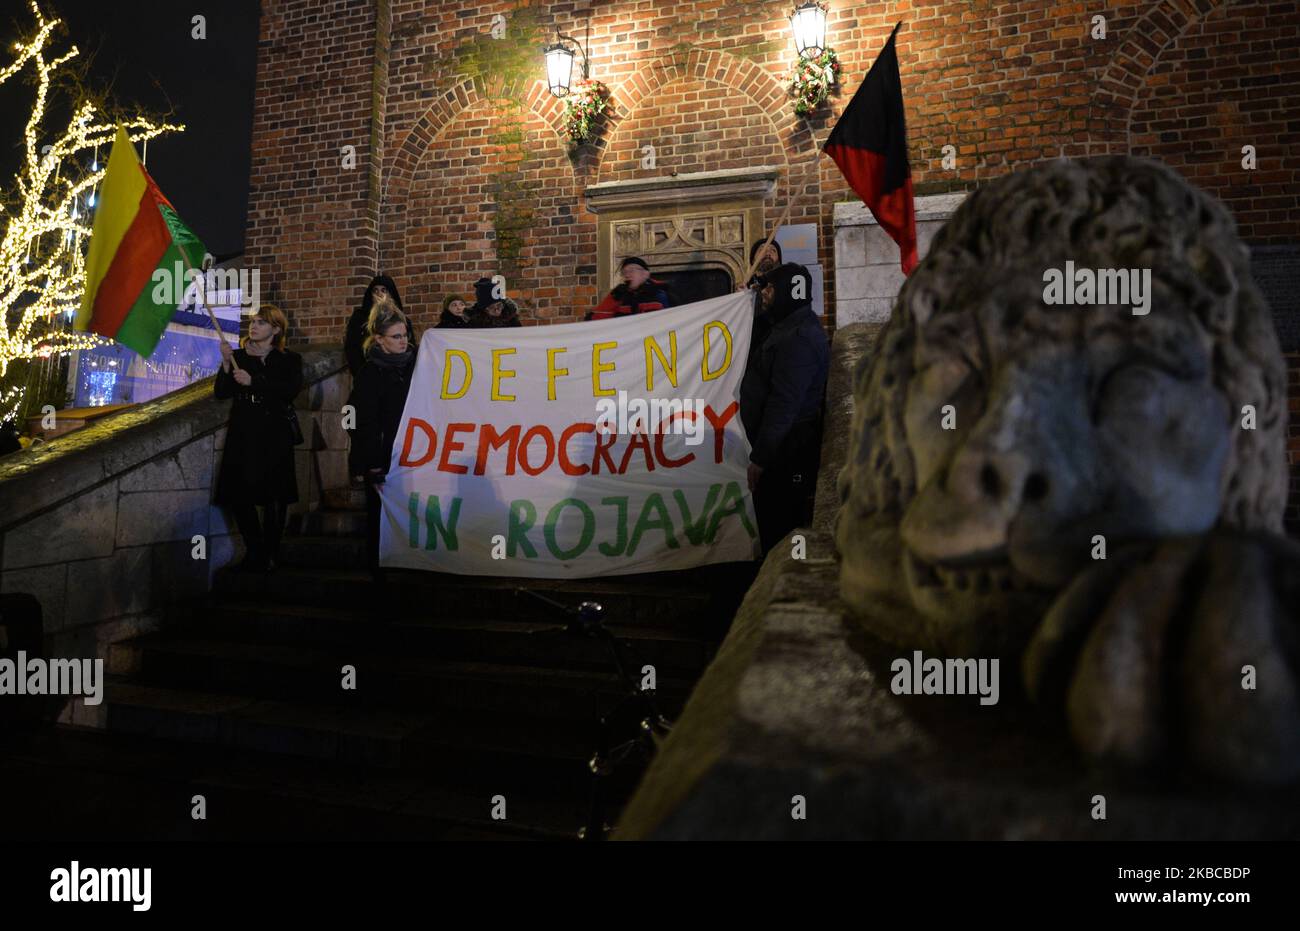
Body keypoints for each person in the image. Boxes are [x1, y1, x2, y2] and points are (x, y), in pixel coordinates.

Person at [739, 262, 830, 553]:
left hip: (785, 454)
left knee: (779, 526)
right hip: (780, 451)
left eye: (770, 288)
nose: (764, 294)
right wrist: (744, 302)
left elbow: (785, 404)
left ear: (787, 293)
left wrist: (761, 458)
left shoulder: (799, 339)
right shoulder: (787, 326)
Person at [214, 304, 304, 572]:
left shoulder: (288, 360)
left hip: (275, 433)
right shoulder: (239, 356)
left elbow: (289, 390)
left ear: (276, 330)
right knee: (240, 494)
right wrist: (226, 362)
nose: (254, 326)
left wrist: (255, 382)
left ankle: (271, 553)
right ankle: (254, 550)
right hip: (245, 431)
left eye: (262, 323)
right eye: (252, 322)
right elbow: (221, 392)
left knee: (275, 494)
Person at [348, 305, 418, 581]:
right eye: (396, 337)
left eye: (405, 336)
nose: (403, 342)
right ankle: (380, 575)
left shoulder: (417, 367)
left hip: (413, 454)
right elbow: (362, 422)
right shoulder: (370, 374)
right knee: (381, 519)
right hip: (383, 457)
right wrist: (373, 463)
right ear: (379, 339)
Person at [344, 274, 414, 377]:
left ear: (390, 293)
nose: (379, 294)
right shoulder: (359, 318)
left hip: (398, 374)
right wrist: (360, 374)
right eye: (375, 290)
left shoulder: (402, 320)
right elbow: (352, 348)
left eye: (383, 290)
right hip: (368, 373)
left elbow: (409, 347)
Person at [586, 257, 675, 320]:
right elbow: (597, 319)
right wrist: (614, 300)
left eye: (632, 270)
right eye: (625, 272)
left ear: (645, 274)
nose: (627, 275)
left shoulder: (661, 293)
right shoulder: (619, 294)